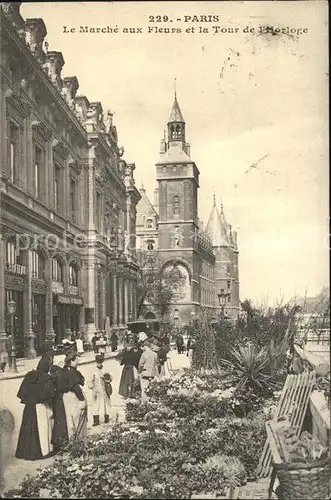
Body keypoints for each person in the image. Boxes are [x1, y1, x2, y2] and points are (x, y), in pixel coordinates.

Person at [15, 356, 55, 460]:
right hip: (40, 407)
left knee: (28, 429)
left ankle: (24, 452)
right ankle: (41, 452)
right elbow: (50, 395)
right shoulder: (47, 378)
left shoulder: (29, 375)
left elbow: (21, 393)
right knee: (41, 429)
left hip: (29, 407)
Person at [51, 352, 87, 452]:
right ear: (71, 361)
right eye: (76, 360)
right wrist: (83, 400)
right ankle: (77, 443)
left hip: (64, 398)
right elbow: (75, 386)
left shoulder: (61, 371)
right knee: (76, 420)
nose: (78, 362)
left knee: (69, 420)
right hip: (72, 398)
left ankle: (72, 442)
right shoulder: (71, 372)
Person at [88, 354, 112, 426]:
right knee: (95, 404)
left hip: (104, 388)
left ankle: (106, 417)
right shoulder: (93, 370)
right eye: (98, 362)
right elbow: (89, 381)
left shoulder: (105, 369)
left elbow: (110, 377)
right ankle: (96, 420)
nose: (99, 363)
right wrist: (92, 387)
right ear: (96, 361)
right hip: (96, 389)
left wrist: (106, 379)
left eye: (101, 362)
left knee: (107, 403)